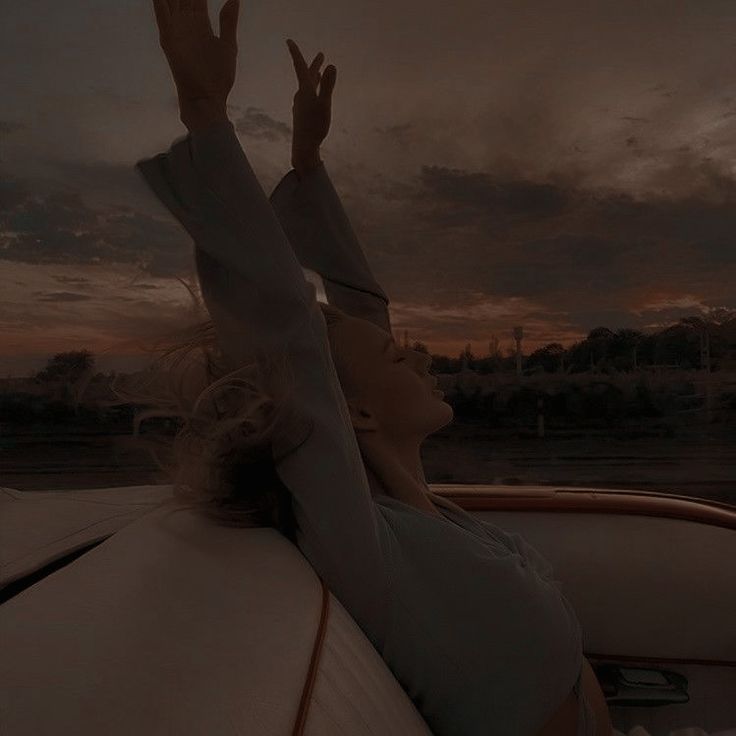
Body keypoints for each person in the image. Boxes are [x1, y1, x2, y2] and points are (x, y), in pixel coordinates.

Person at [137, 0, 613, 734]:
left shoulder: (421, 511)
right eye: (398, 354)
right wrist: (204, 113)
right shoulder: (370, 548)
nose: (417, 350)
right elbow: (287, 330)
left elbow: (359, 318)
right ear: (349, 413)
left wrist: (308, 167)